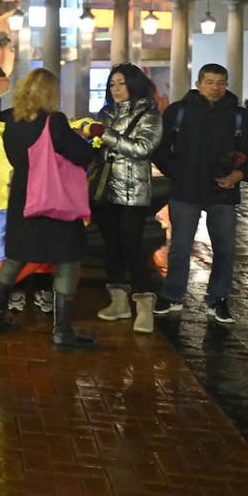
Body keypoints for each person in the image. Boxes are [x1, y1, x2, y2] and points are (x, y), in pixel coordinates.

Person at [0, 68, 97, 350]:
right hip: (53, 199)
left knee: (15, 258)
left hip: (23, 198)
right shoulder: (55, 121)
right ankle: (62, 333)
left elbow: (16, 157)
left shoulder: (9, 119)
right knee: (67, 260)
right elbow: (81, 154)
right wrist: (90, 141)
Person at [153, 64, 248, 324]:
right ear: (198, 83)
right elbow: (160, 149)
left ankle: (218, 298)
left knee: (224, 248)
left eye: (221, 82)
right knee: (179, 247)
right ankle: (173, 293)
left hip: (223, 192)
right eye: (210, 81)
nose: (215, 87)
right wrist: (176, 172)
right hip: (186, 190)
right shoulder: (178, 112)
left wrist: (238, 175)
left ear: (226, 84)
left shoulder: (238, 116)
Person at [85, 64, 164, 334]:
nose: (116, 90)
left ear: (133, 84)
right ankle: (118, 302)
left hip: (133, 190)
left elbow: (143, 148)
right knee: (111, 245)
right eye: (112, 85)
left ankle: (144, 305)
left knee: (132, 245)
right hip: (104, 188)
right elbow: (98, 148)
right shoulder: (106, 112)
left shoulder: (149, 115)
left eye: (121, 84)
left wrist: (103, 135)